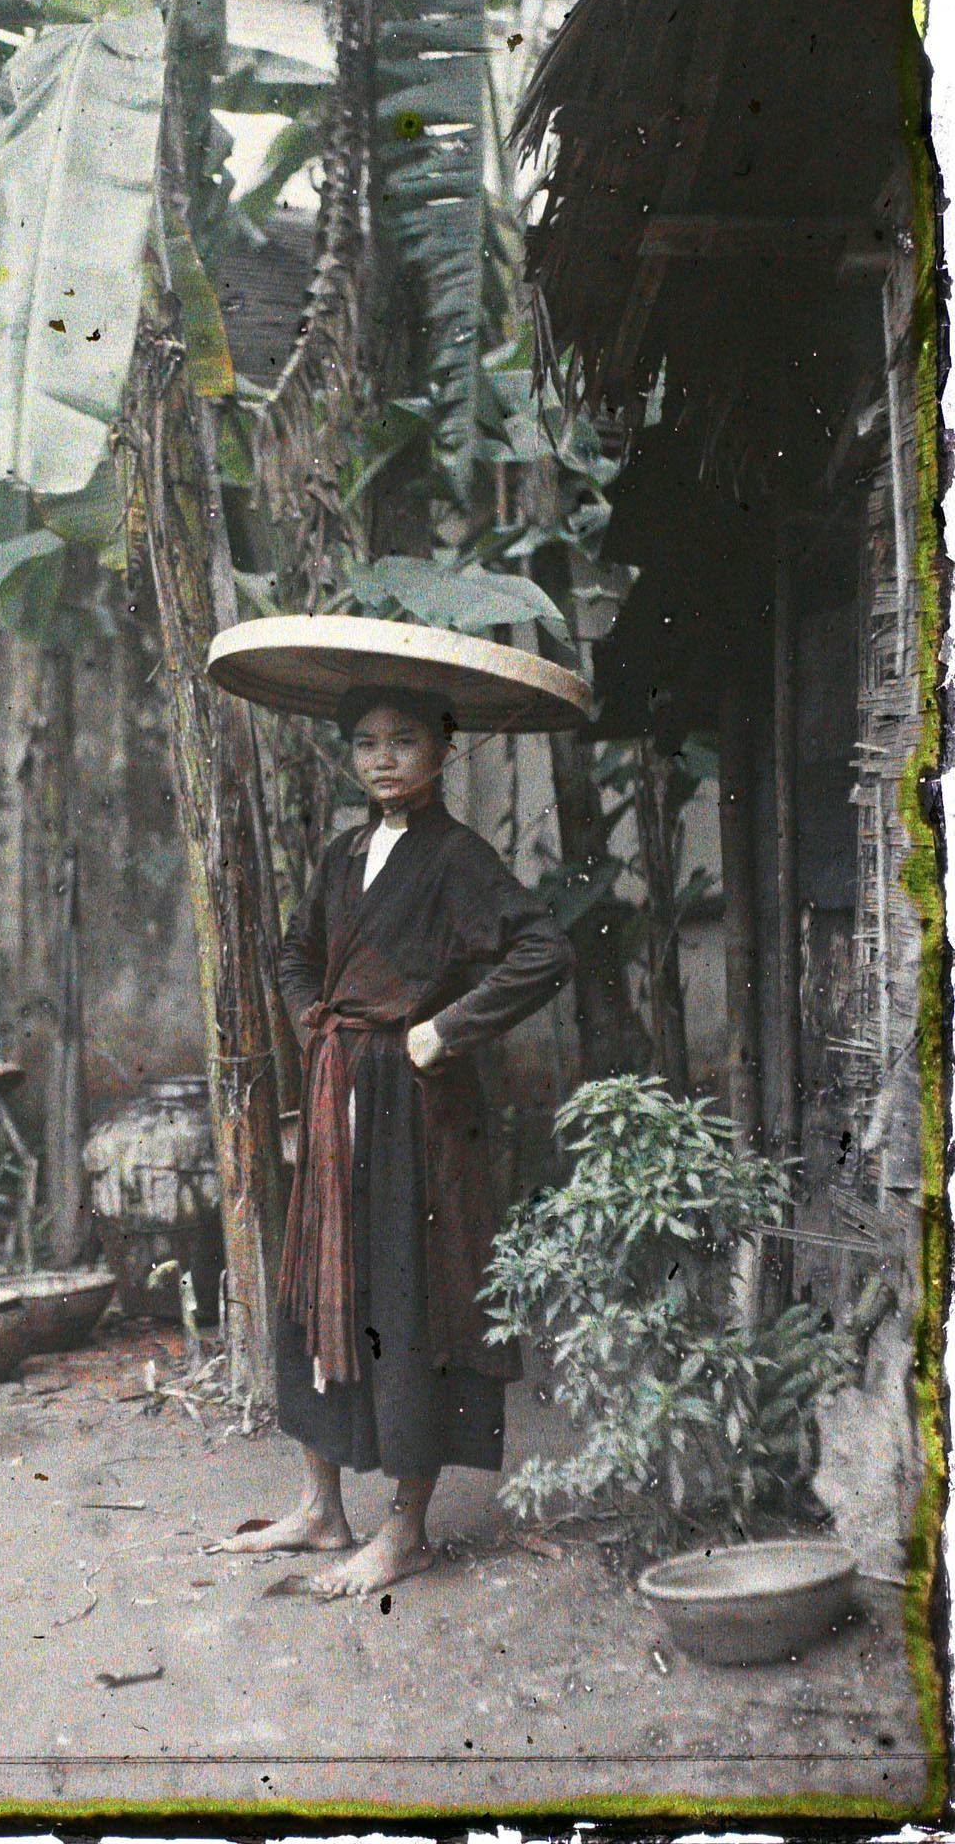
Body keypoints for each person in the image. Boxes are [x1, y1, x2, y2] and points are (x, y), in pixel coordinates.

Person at [220, 684, 574, 1597]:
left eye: (403, 741)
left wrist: (443, 1031)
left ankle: (405, 1529)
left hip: (417, 1108)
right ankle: (319, 1506)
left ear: (442, 751)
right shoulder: (342, 856)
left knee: (408, 1295)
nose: (382, 759)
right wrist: (313, 1025)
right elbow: (294, 952)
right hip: (338, 1088)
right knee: (322, 1282)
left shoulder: (457, 859)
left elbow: (543, 949)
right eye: (366, 742)